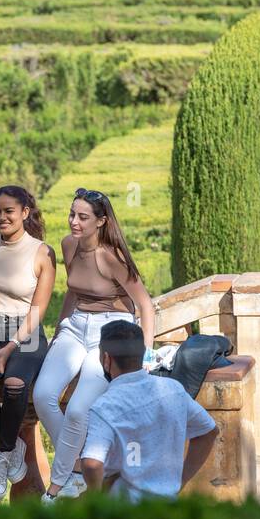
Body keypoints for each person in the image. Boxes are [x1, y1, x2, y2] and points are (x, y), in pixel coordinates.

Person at [33, 188, 156, 503]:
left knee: (77, 410)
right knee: (43, 395)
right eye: (72, 214)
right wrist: (60, 329)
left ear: (101, 221)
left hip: (109, 331)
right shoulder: (68, 245)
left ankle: (57, 486)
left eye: (83, 217)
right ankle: (77, 466)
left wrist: (146, 354)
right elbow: (74, 290)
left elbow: (144, 304)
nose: (74, 222)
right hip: (75, 327)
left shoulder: (110, 257)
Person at [0, 185, 56, 500]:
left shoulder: (42, 252)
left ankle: (2, 454)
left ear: (24, 213)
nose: (1, 217)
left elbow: (39, 310)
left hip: (27, 334)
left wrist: (12, 345)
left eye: (8, 211)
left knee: (16, 384)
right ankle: (12, 444)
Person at [80, 321, 218, 501]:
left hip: (122, 509)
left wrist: (94, 499)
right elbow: (209, 431)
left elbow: (91, 464)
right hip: (167, 505)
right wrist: (180, 481)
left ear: (106, 359)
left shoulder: (105, 407)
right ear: (143, 354)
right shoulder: (173, 389)